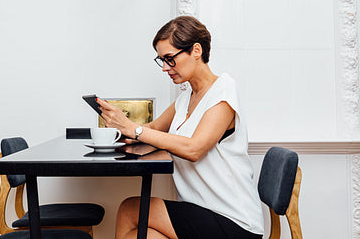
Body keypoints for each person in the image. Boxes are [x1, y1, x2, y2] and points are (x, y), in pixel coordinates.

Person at [97, 16, 264, 239]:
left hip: (234, 220)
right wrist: (121, 129)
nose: (165, 68)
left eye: (170, 59)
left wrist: (134, 129)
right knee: (137, 234)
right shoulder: (186, 97)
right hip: (200, 211)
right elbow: (154, 128)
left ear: (196, 50)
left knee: (131, 210)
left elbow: (194, 149)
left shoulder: (223, 90)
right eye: (161, 60)